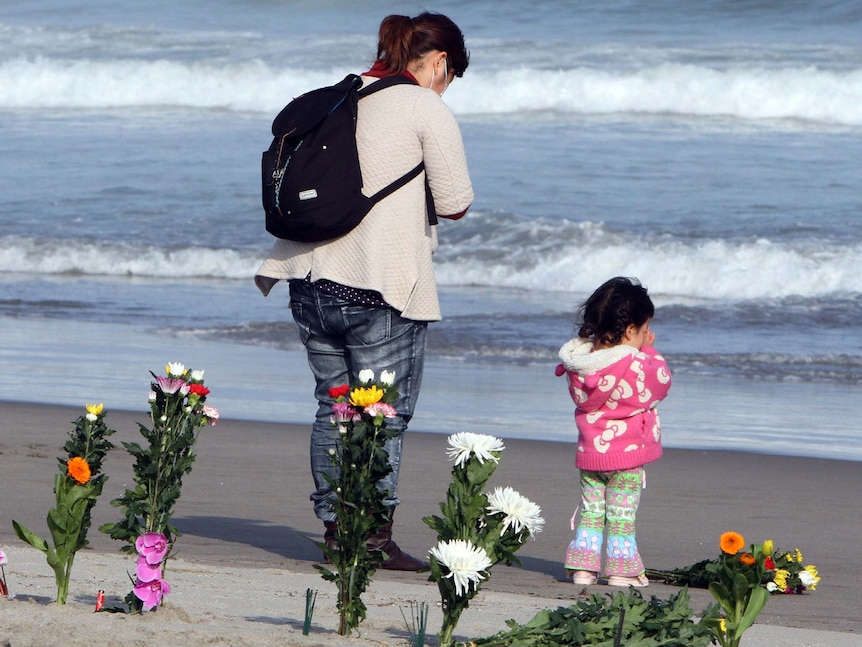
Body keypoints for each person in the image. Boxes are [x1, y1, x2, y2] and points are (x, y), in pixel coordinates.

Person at [254, 12, 473, 571]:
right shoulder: (425, 105)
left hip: (306, 278)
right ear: (440, 62)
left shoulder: (343, 94)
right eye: (451, 76)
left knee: (335, 410)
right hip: (379, 285)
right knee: (383, 417)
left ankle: (335, 532)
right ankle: (372, 539)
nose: (446, 87)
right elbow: (455, 202)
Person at [554, 277, 671, 587]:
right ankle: (621, 569)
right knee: (620, 516)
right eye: (645, 330)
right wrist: (651, 351)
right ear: (631, 330)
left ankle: (583, 568)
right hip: (626, 456)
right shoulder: (636, 363)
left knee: (592, 511)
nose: (647, 336)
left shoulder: (582, 365)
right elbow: (660, 384)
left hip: (591, 455)